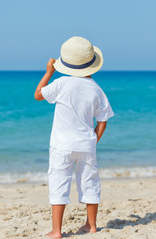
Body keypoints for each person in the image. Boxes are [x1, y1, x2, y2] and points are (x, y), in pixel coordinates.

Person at [34, 36, 114, 239]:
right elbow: (103, 121)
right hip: (86, 145)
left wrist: (49, 71)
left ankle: (56, 231)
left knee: (59, 182)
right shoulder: (97, 89)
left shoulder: (61, 83)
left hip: (62, 145)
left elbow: (38, 94)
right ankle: (91, 225)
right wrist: (93, 140)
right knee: (90, 182)